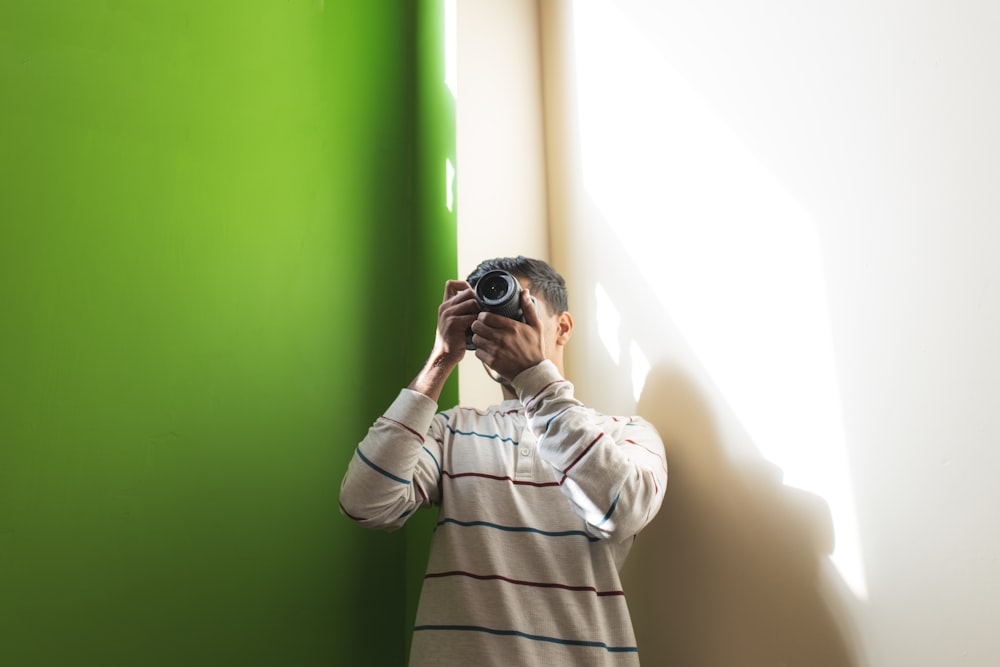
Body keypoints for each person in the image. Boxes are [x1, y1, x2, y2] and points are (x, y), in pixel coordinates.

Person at [339, 256, 667, 666]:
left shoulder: (627, 434)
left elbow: (621, 512)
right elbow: (365, 504)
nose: (503, 325)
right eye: (487, 313)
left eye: (519, 308)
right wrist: (440, 359)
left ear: (562, 327)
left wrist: (535, 376)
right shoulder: (451, 430)